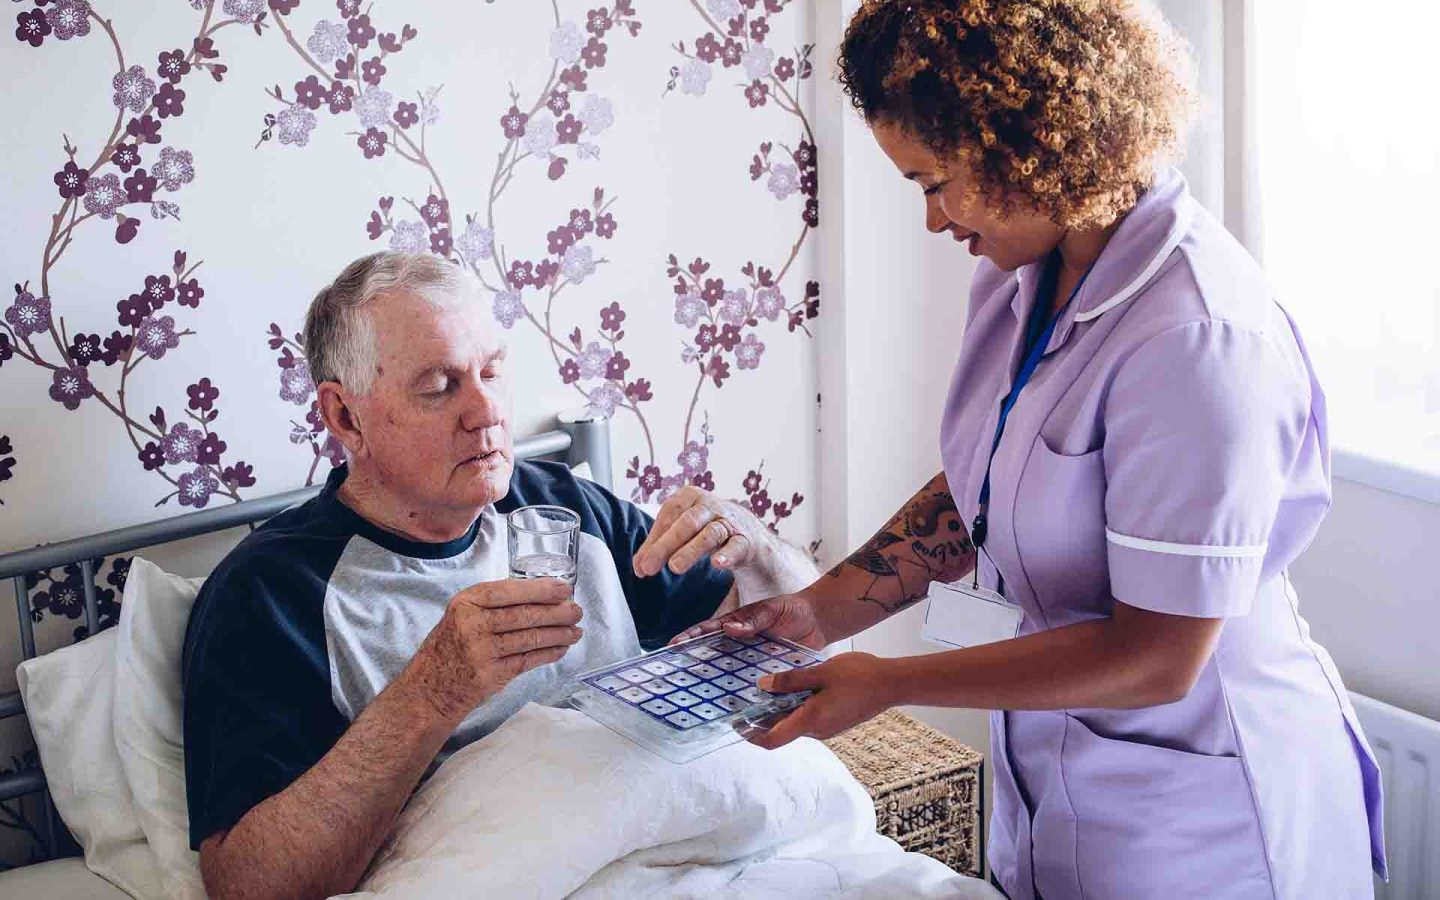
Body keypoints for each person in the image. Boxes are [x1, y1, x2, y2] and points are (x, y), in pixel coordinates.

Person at [670, 2, 1387, 897]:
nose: (933, 221)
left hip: (1208, 816)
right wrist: (822, 610)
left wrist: (888, 683)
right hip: (1059, 785)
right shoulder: (1027, 274)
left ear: (1026, 139)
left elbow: (1158, 656)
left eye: (933, 183)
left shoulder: (1196, 339)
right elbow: (992, 485)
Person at [181, 252, 818, 899]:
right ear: (347, 417)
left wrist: (757, 545)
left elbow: (803, 639)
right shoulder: (272, 593)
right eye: (438, 386)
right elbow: (252, 884)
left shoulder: (573, 509)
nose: (485, 411)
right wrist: (432, 692)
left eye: (491, 371)